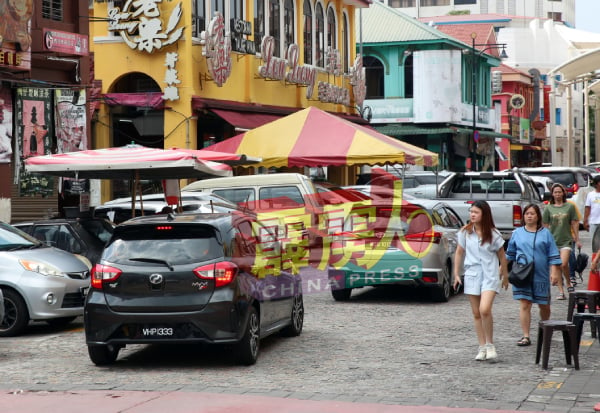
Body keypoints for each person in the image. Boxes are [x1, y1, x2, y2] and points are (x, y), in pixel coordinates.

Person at [453, 200, 508, 362]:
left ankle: (490, 345)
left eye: (476, 212)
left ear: (484, 214)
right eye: (471, 212)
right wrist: (456, 273)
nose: (472, 215)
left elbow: (502, 256)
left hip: (490, 275)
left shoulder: (493, 234)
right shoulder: (465, 232)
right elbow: (459, 252)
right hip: (472, 274)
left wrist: (505, 275)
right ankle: (482, 346)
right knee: (476, 313)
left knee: (485, 309)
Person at [506, 204, 561, 347]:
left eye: (532, 213)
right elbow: (510, 254)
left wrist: (554, 272)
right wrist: (501, 269)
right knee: (525, 304)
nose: (529, 216)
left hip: (540, 275)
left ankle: (545, 329)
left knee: (544, 305)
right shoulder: (517, 233)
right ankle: (526, 336)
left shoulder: (546, 233)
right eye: (527, 214)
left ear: (538, 216)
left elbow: (553, 254)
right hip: (522, 275)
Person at [542, 183, 579, 300]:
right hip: (553, 241)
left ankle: (568, 282)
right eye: (555, 192)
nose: (557, 194)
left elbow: (574, 222)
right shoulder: (548, 208)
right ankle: (561, 291)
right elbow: (545, 225)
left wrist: (576, 238)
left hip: (566, 240)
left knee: (563, 263)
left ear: (563, 193)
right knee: (557, 265)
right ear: (552, 194)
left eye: (559, 192)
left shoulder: (569, 207)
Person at [584, 175, 600, 240]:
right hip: (593, 222)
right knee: (594, 242)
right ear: (597, 183)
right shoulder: (590, 194)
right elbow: (587, 208)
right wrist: (585, 221)